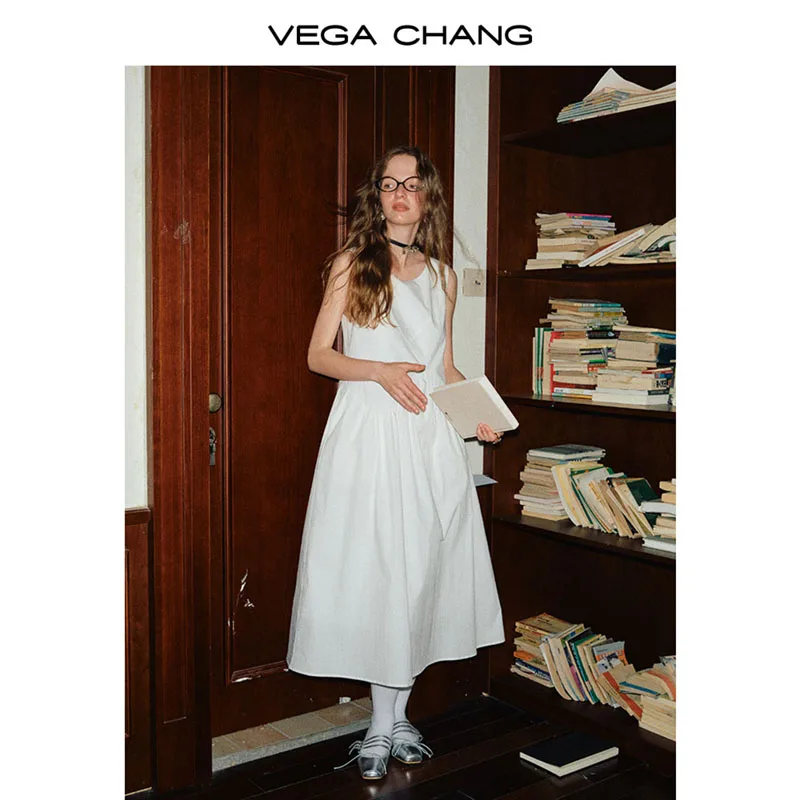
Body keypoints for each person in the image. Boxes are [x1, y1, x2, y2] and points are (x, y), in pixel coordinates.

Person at [286, 145, 505, 780]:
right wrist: (378, 371)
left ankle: (395, 719)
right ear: (377, 197)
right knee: (378, 572)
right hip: (368, 435)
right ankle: (382, 726)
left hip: (429, 438)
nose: (400, 194)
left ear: (428, 197)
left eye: (412, 184)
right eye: (389, 184)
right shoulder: (352, 263)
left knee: (419, 575)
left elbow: (444, 368)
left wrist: (477, 416)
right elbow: (318, 356)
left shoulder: (444, 277)